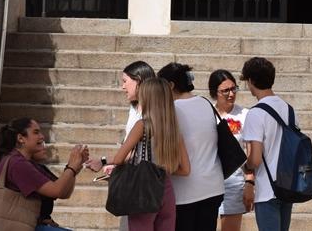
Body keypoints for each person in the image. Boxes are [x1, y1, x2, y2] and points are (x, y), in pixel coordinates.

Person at [94, 77, 191, 231]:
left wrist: (102, 161)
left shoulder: (142, 125)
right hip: (166, 190)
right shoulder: (174, 131)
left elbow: (119, 159)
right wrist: (161, 169)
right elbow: (185, 170)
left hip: (144, 190)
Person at [0, 117, 87, 231]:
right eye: (36, 132)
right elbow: (57, 190)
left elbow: (64, 192)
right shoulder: (17, 164)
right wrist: (72, 167)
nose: (42, 136)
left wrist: (75, 167)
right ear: (21, 138)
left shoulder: (20, 162)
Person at [158, 62, 225, 231]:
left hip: (185, 191)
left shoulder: (171, 110)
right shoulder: (205, 102)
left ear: (171, 85)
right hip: (213, 186)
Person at [239, 56, 296, 231]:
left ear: (251, 80)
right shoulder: (289, 109)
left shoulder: (256, 113)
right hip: (287, 186)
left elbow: (255, 159)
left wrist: (245, 165)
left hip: (267, 189)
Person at [209, 69, 252, 231]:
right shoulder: (206, 114)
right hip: (208, 182)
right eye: (225, 90)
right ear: (215, 92)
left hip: (234, 183)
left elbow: (249, 152)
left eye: (234, 89)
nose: (231, 94)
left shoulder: (245, 115)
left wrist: (249, 182)